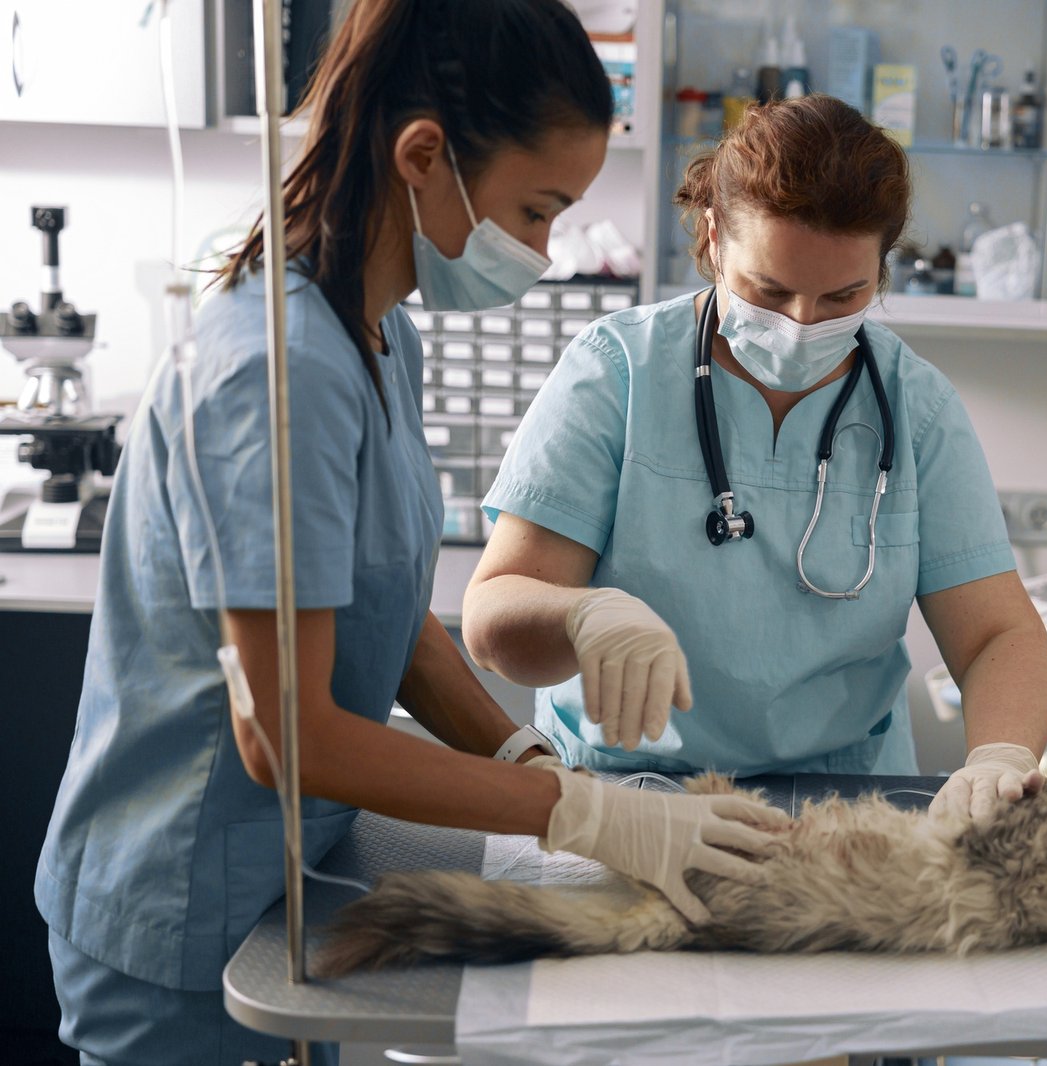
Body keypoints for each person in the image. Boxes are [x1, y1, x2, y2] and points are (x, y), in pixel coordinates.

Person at [34, 3, 786, 1064]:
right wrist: (571, 810)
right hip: (184, 902)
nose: (541, 250)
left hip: (298, 873)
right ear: (423, 155)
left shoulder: (380, 337)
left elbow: (384, 614)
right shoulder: (274, 370)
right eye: (536, 211)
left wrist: (517, 744)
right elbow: (283, 734)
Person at [463, 96, 1047, 819]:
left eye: (845, 294)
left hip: (844, 802)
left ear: (884, 267)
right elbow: (494, 618)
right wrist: (584, 616)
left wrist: (1000, 754)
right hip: (629, 794)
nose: (801, 324)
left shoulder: (917, 409)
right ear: (715, 239)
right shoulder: (617, 372)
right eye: (769, 290)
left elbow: (998, 634)